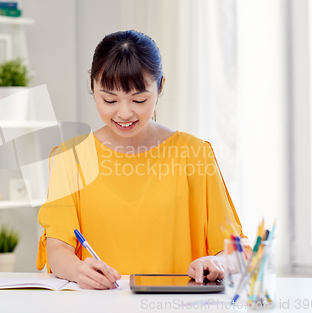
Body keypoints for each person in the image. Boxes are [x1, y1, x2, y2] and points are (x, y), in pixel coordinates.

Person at [36, 30, 246, 290]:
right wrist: (80, 270)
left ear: (160, 86)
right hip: (97, 305)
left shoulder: (194, 153)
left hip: (175, 305)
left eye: (139, 99)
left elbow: (233, 250)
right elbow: (57, 250)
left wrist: (217, 264)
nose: (124, 113)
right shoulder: (70, 158)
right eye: (109, 99)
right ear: (92, 85)